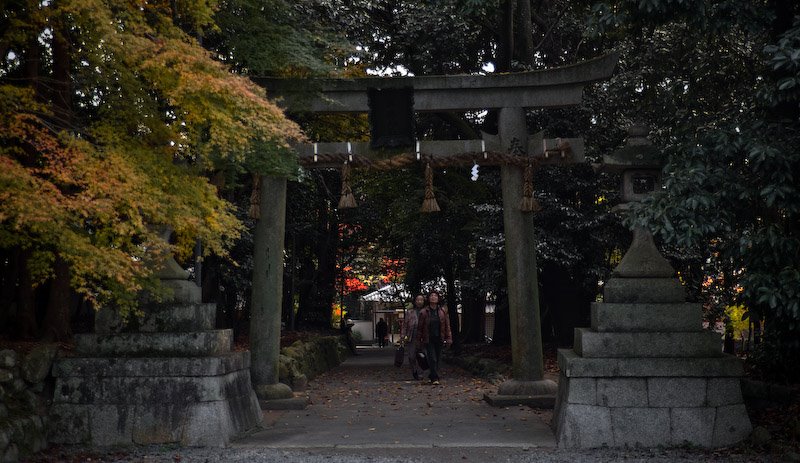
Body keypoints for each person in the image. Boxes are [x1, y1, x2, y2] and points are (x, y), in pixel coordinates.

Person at [416, 290, 452, 385]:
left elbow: (447, 326)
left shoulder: (442, 311)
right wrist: (418, 340)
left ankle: (432, 375)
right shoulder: (424, 312)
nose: (433, 297)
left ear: (438, 298)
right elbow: (420, 328)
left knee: (438, 358)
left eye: (435, 295)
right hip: (429, 338)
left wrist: (448, 338)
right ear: (428, 298)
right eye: (431, 295)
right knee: (432, 358)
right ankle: (435, 378)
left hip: (439, 337)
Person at [401, 294, 425, 380]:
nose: (419, 301)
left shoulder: (426, 311)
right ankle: (414, 370)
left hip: (423, 336)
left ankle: (421, 372)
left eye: (421, 300)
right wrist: (403, 336)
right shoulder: (410, 312)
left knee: (422, 355)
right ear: (415, 301)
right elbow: (405, 325)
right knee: (411, 356)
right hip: (412, 335)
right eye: (418, 300)